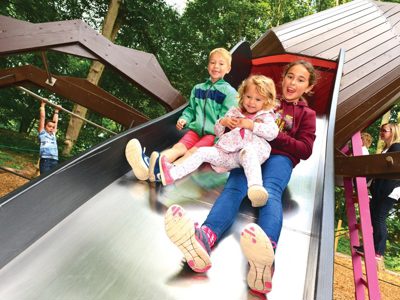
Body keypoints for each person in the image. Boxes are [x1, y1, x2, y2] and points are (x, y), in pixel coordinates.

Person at [164, 60, 317, 295]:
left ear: (308, 87)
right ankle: (205, 236)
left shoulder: (306, 114)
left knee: (270, 191)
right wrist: (228, 125)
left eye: (300, 79)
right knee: (234, 189)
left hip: (279, 158)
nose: (292, 83)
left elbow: (305, 149)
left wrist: (270, 135)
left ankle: (265, 255)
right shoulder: (263, 98)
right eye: (290, 76)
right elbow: (234, 123)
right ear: (283, 78)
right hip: (245, 153)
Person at [159, 75, 279, 207]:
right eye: (248, 97)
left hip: (250, 154)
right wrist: (223, 122)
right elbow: (217, 132)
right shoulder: (235, 111)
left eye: (258, 99)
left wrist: (251, 125)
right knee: (202, 152)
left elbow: (272, 133)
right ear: (242, 95)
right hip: (228, 155)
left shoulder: (265, 116)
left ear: (266, 101)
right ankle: (172, 174)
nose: (251, 102)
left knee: (248, 152)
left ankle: (255, 189)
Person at [125, 47, 238, 182]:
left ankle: (168, 171)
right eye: (212, 62)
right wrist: (185, 118)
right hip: (195, 131)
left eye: (221, 63)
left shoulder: (230, 93)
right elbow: (191, 109)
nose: (216, 66)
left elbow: (225, 119)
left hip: (212, 135)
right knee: (178, 148)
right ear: (208, 65)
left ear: (228, 69)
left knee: (192, 153)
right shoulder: (198, 88)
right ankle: (148, 167)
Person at [355, 123, 400, 260]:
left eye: (384, 131)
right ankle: (369, 246)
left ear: (392, 133)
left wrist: (382, 189)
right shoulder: (387, 148)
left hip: (390, 189)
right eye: (381, 130)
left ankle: (378, 250)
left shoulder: (397, 147)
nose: (381, 132)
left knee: (379, 217)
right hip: (381, 189)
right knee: (374, 216)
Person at [38, 101, 60, 175]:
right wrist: (43, 105)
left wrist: (56, 111)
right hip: (45, 160)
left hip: (55, 160)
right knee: (43, 179)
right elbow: (42, 118)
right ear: (45, 126)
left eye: (53, 127)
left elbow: (55, 122)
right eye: (49, 126)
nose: (51, 128)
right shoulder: (42, 133)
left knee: (52, 180)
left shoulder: (53, 134)